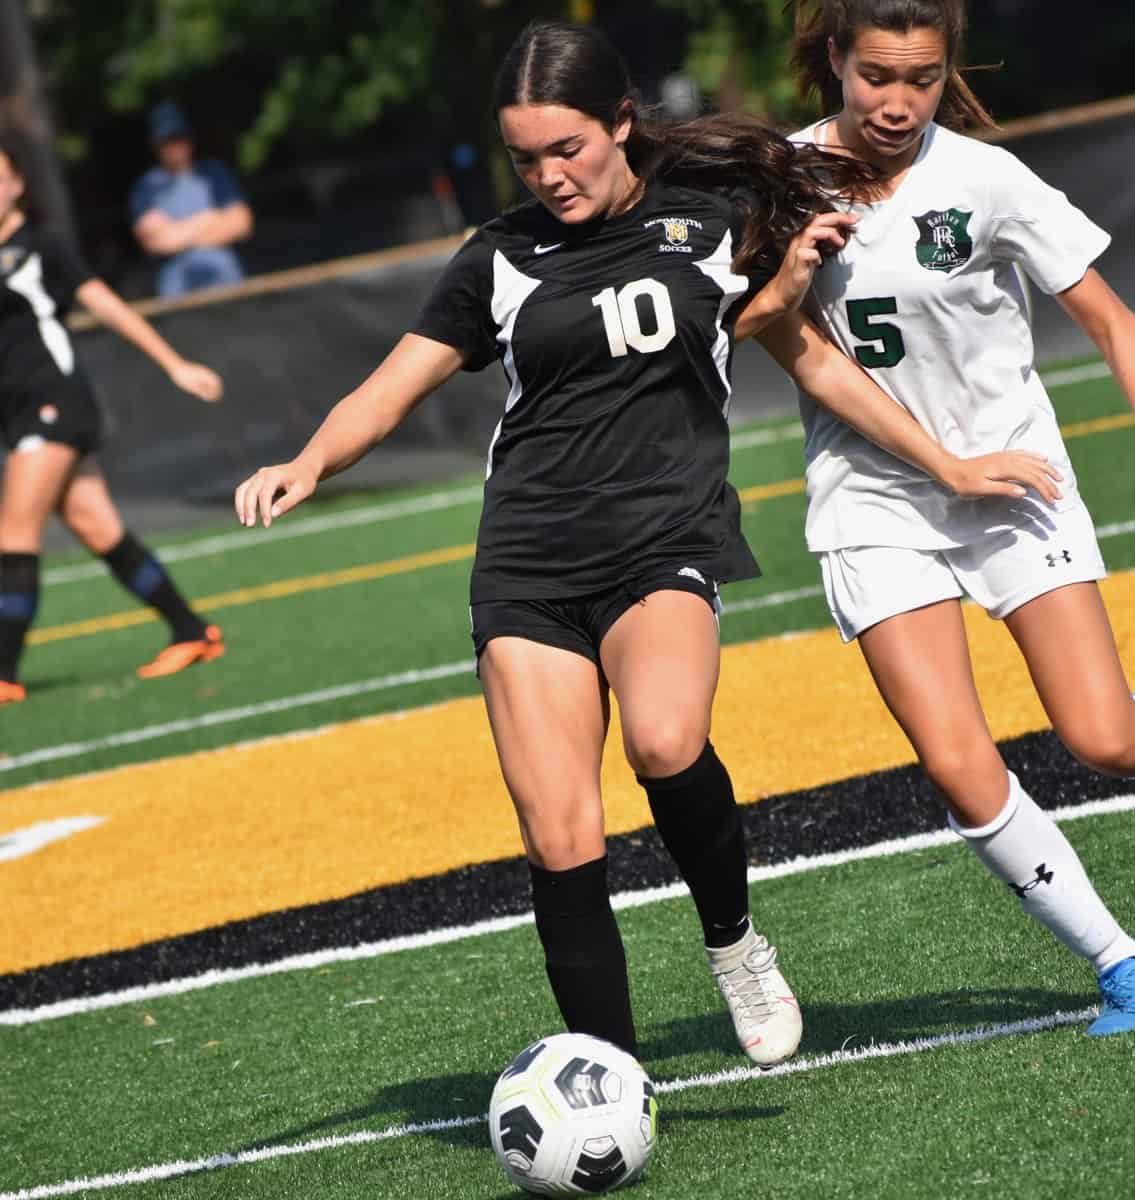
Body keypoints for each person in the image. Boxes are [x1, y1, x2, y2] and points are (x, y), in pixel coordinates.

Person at [234, 21, 1058, 1066]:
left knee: (664, 744)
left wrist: (943, 462)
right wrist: (308, 462)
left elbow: (800, 355)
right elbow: (391, 386)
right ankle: (605, 1075)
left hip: (663, 537)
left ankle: (735, 944)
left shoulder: (711, 220)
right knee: (561, 836)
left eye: (566, 148)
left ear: (619, 123)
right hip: (528, 561)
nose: (548, 176)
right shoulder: (499, 256)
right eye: (525, 158)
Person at [780, 0, 1135, 1035]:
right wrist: (789, 266)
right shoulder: (777, 177)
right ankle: (1120, 964)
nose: (896, 100)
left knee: (1100, 738)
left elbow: (1111, 319)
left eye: (919, 79)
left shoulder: (983, 179)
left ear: (944, 70)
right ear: (835, 59)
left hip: (1013, 484)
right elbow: (763, 332)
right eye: (875, 75)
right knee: (956, 761)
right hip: (872, 500)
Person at [0, 134, 226, 704]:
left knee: (13, 532)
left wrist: (174, 364)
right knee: (99, 528)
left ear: (18, 184)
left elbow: (104, 304)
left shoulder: (41, 246)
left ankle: (3, 672)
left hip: (53, 401)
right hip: (20, 410)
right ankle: (193, 631)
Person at [129, 101, 252, 298]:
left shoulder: (214, 173)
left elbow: (241, 224)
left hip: (225, 276)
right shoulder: (146, 187)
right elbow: (155, 241)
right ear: (156, 144)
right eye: (167, 141)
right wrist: (209, 219)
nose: (175, 146)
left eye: (179, 138)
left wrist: (178, 232)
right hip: (176, 285)